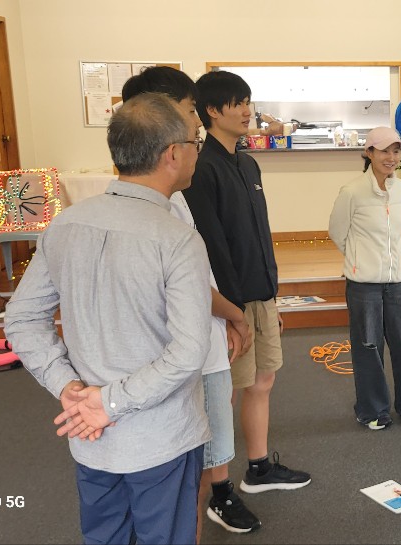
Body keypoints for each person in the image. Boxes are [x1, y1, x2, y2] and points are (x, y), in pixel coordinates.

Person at [4, 93, 212, 544]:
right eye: (195, 141)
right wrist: (107, 403)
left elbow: (21, 319)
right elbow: (189, 352)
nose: (198, 151)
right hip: (159, 437)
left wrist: (68, 387)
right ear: (172, 153)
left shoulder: (66, 224)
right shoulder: (176, 239)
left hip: (89, 434)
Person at [119, 66, 261, 536]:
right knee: (185, 476)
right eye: (189, 112)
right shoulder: (161, 206)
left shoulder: (173, 195)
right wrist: (235, 314)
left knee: (186, 474)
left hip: (197, 339)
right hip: (183, 354)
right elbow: (192, 282)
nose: (196, 122)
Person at [182, 70, 312, 496]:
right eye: (236, 103)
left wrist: (271, 295)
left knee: (262, 381)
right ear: (211, 111)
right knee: (223, 392)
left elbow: (258, 233)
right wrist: (232, 312)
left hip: (260, 293)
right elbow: (213, 246)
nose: (246, 110)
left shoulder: (248, 162)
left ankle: (258, 467)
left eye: (247, 101)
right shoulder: (202, 168)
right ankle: (217, 488)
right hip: (229, 302)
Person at [327, 126, 401, 430]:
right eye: (384, 150)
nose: (391, 157)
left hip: (396, 282)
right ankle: (372, 410)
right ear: (369, 153)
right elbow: (337, 232)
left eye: (396, 151)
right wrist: (360, 259)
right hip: (364, 285)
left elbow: (394, 233)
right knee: (368, 347)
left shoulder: (400, 189)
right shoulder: (351, 192)